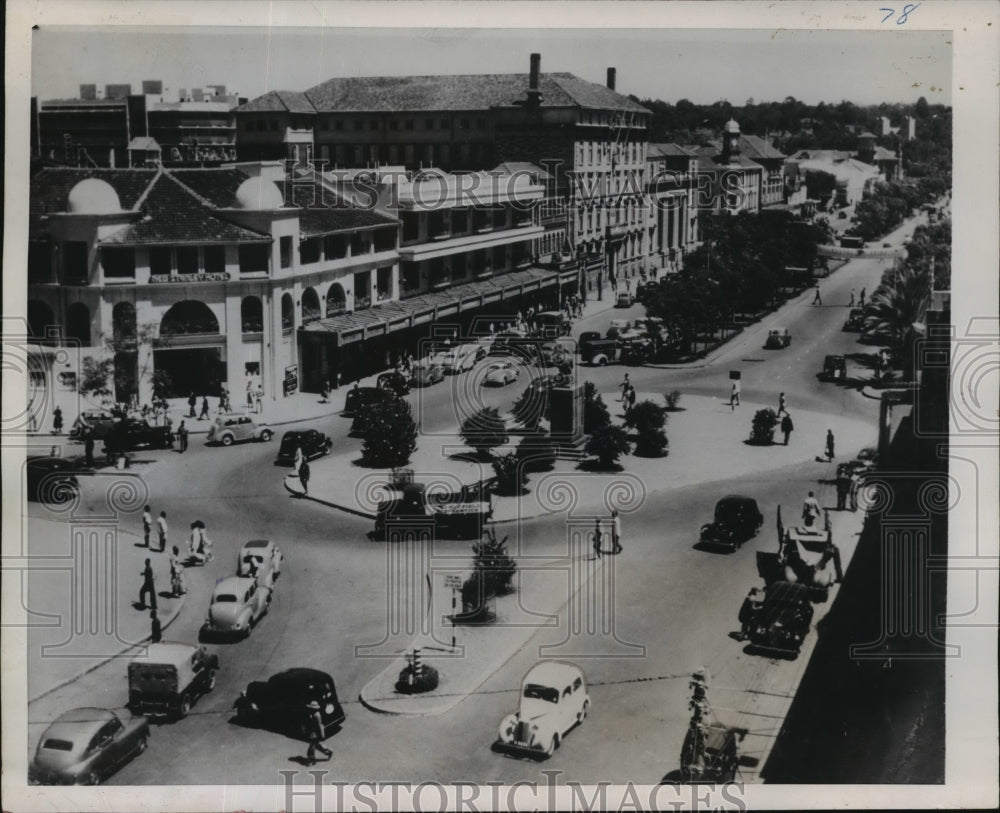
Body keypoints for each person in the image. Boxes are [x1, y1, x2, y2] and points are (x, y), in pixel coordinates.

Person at [304, 700, 332, 765]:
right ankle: (328, 752)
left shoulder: (317, 715)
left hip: (316, 734)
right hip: (313, 733)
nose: (310, 709)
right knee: (317, 746)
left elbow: (319, 726)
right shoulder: (312, 714)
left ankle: (311, 761)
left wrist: (322, 735)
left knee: (311, 749)